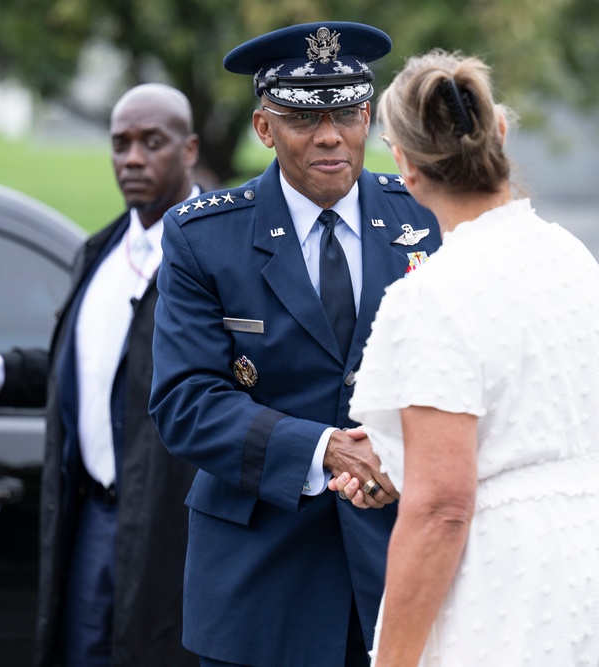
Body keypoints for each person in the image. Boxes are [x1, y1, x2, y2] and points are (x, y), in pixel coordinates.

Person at [337, 49, 599, 666]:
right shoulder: (568, 255)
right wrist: (407, 461)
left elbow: (442, 507)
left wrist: (392, 660)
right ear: (500, 134)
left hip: (514, 575)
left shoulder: (430, 296)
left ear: (404, 164)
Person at [147, 22, 441, 667]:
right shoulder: (204, 238)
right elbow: (186, 400)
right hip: (261, 582)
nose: (331, 135)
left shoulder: (426, 219)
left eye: (349, 113)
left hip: (402, 568)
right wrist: (323, 449)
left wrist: (397, 450)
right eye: (306, 118)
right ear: (263, 128)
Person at [0, 83, 201, 667]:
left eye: (151, 142)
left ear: (188, 150)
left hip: (176, 524)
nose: (132, 158)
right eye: (120, 143)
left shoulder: (221, 249)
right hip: (95, 517)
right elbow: (90, 371)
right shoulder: (100, 252)